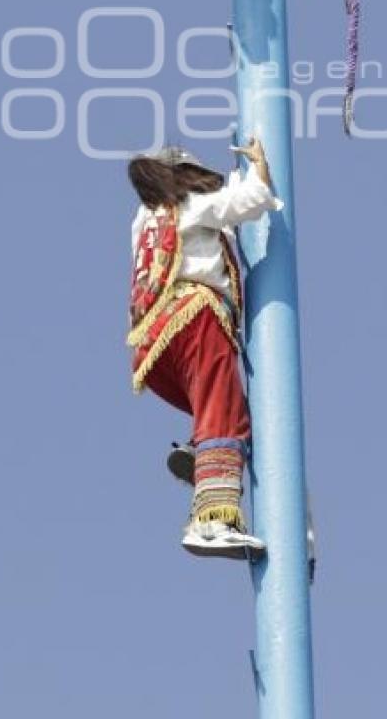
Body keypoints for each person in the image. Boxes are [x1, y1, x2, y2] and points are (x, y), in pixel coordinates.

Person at [126, 137, 281, 559]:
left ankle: (204, 451)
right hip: (195, 319)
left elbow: (212, 232)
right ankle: (213, 521)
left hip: (156, 348)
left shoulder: (146, 219)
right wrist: (260, 167)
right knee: (223, 415)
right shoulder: (191, 204)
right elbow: (253, 199)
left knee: (229, 413)